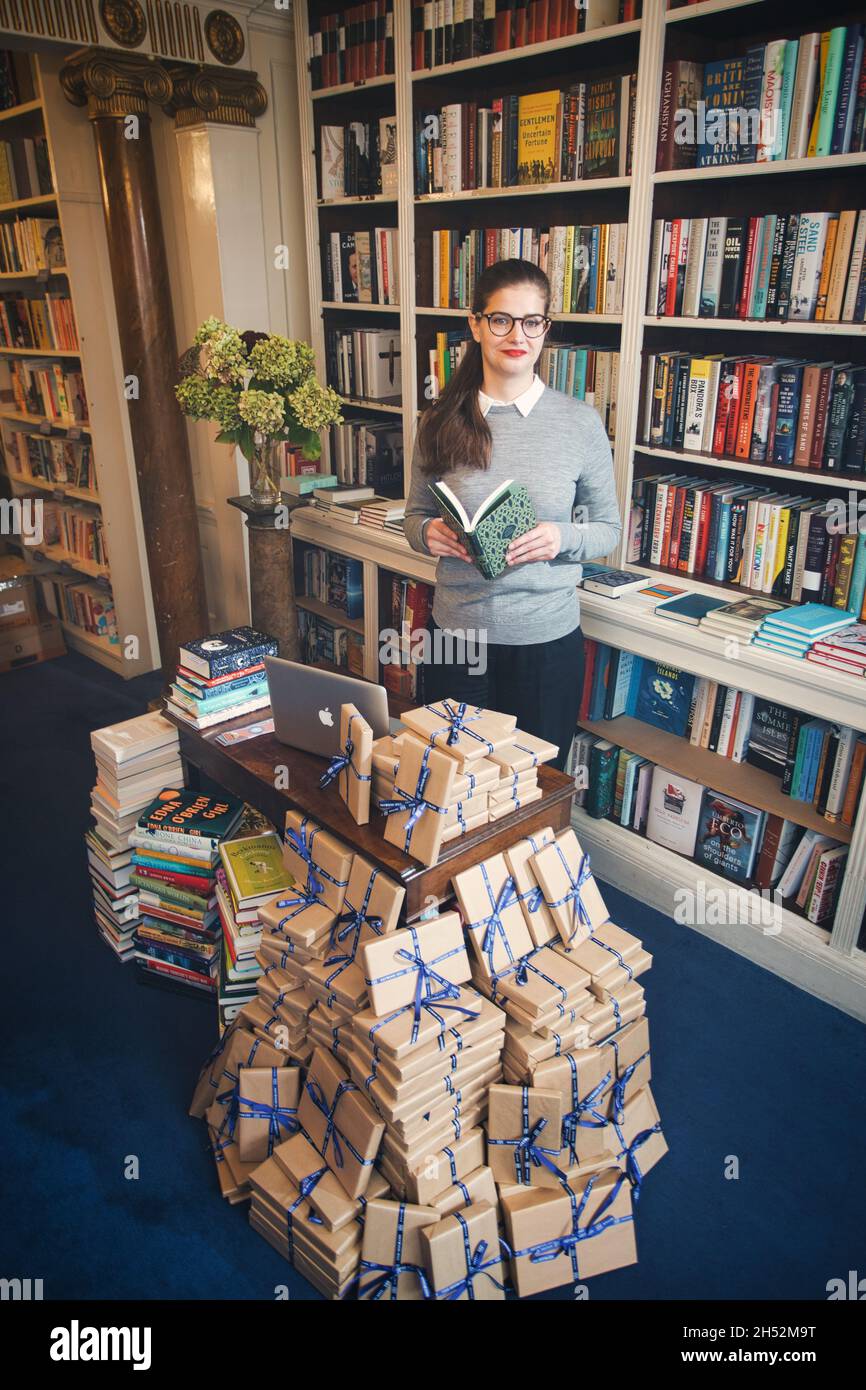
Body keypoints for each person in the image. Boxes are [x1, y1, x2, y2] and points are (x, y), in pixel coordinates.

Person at [403, 257, 622, 772]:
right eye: (501, 320)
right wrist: (427, 532)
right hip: (457, 638)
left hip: (546, 644)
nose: (516, 335)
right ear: (476, 324)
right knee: (454, 782)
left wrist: (559, 537)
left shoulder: (579, 423)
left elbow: (607, 530)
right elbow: (414, 515)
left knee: (535, 787)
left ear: (545, 328)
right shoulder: (438, 420)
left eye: (532, 322)